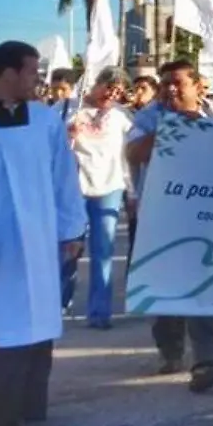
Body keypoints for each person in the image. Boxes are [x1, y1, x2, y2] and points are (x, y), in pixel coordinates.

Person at [0, 41, 87, 426]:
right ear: (8, 73)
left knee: (36, 329)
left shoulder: (45, 120)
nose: (39, 79)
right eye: (32, 71)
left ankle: (29, 413)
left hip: (39, 240)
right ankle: (1, 422)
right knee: (3, 333)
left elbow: (64, 177)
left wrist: (72, 231)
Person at [126, 60, 213, 393]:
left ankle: (205, 363)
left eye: (178, 83)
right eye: (165, 84)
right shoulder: (148, 117)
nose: (170, 89)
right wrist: (172, 130)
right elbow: (132, 152)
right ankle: (170, 350)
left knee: (201, 288)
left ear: (198, 86)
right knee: (166, 292)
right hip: (161, 217)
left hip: (205, 214)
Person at [66, 68, 132, 329]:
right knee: (68, 251)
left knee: (103, 252)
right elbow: (56, 152)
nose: (111, 95)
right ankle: (59, 303)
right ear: (96, 84)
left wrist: (132, 192)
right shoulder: (69, 110)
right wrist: (70, 135)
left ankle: (99, 313)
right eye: (108, 88)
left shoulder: (121, 117)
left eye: (117, 92)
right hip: (75, 189)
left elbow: (127, 155)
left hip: (110, 189)